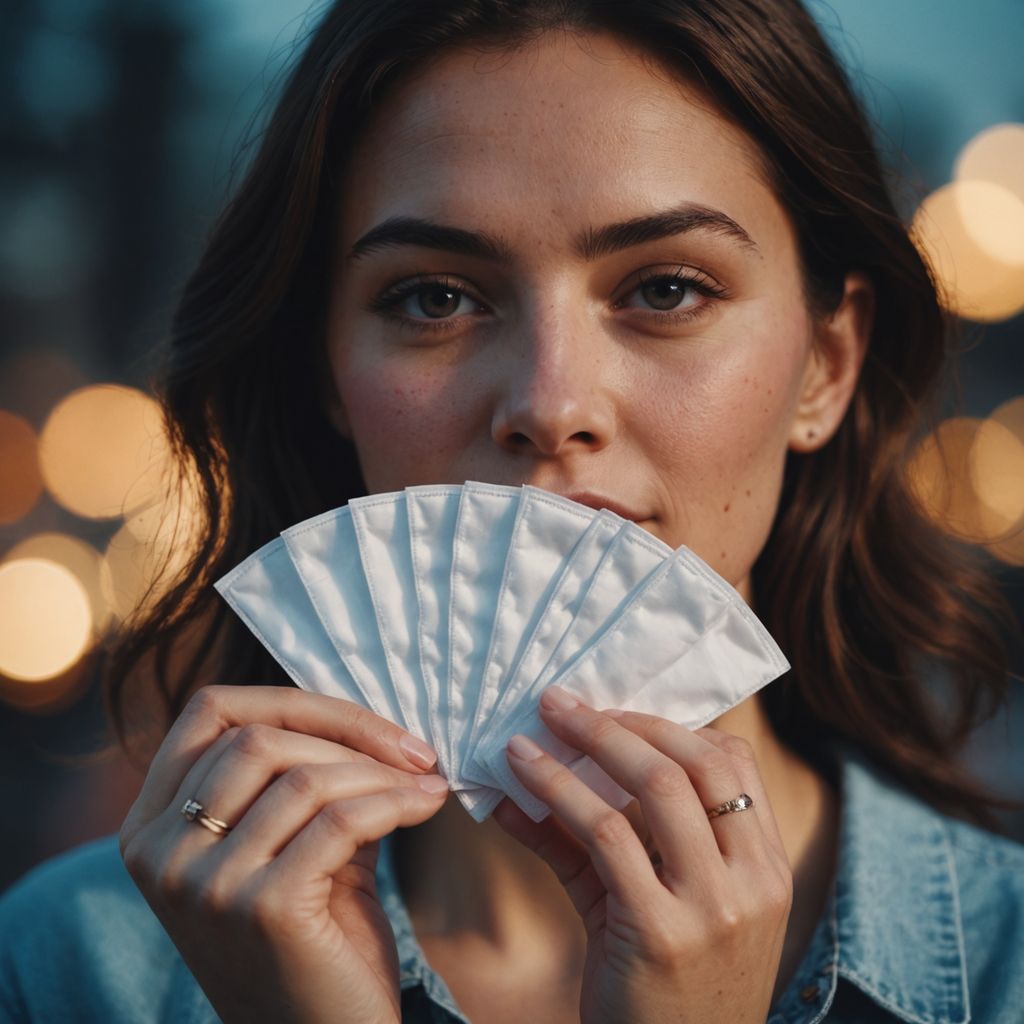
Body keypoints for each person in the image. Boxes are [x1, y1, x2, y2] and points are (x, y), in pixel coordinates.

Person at [2, 0, 1023, 1021]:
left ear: (825, 364)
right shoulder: (68, 969)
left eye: (666, 289)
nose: (549, 402)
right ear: (325, 368)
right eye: (435, 298)